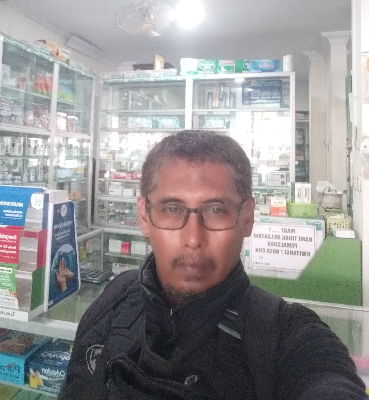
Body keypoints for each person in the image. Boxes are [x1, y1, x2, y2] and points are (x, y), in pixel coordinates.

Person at [59, 130, 367, 400]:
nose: (194, 239)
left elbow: (326, 379)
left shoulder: (287, 338)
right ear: (144, 216)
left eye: (217, 210)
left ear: (247, 217)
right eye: (171, 208)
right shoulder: (114, 300)